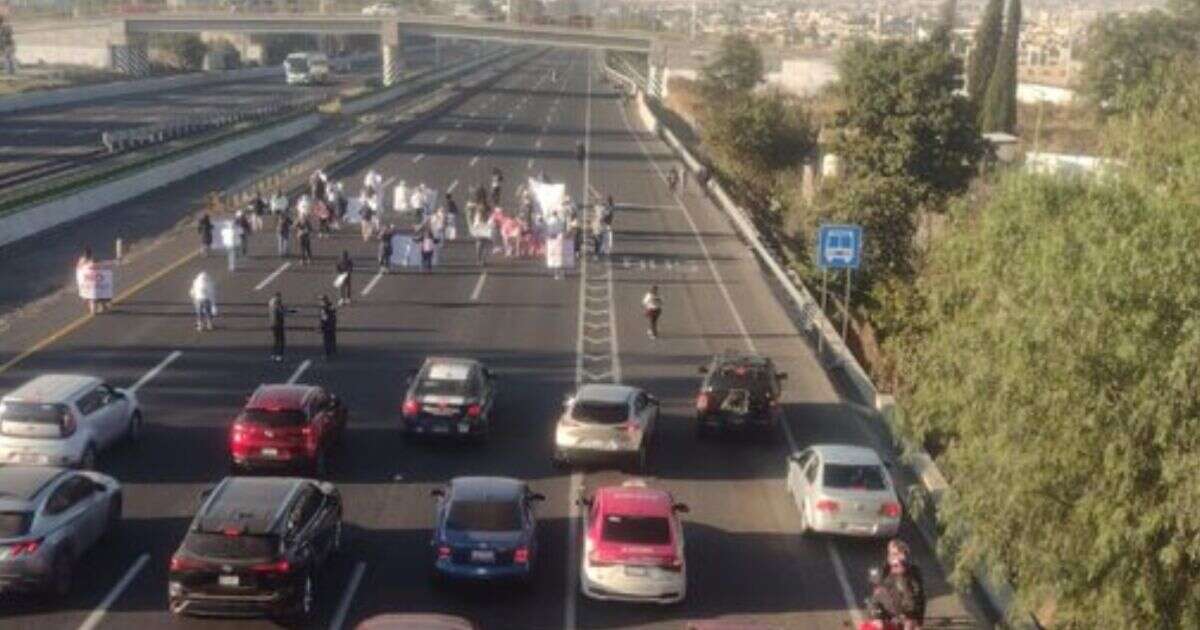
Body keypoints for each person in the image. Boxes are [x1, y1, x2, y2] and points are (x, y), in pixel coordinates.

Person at [877, 540, 926, 630]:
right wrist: (879, 617)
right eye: (892, 554)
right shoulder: (885, 570)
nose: (895, 558)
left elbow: (919, 597)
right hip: (892, 614)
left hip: (908, 614)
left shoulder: (913, 572)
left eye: (897, 555)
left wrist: (918, 621)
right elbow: (878, 596)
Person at [267, 292, 294, 362]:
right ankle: (279, 355)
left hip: (273, 324)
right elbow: (282, 311)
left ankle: (274, 355)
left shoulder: (271, 304)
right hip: (278, 324)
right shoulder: (277, 304)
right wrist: (292, 311)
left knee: (276, 340)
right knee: (281, 340)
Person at [470, 201, 492, 266]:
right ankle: (482, 260)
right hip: (484, 228)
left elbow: (475, 222)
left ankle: (479, 260)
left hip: (481, 228)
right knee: (484, 245)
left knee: (480, 244)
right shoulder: (484, 214)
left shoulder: (479, 214)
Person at [318, 294, 337, 359]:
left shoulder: (324, 309)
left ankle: (327, 354)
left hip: (327, 327)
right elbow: (334, 314)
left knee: (327, 341)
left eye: (321, 300)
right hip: (332, 325)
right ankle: (333, 352)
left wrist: (321, 327)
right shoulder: (331, 306)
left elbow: (324, 319)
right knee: (332, 339)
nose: (320, 302)